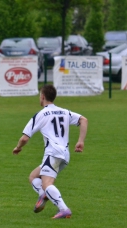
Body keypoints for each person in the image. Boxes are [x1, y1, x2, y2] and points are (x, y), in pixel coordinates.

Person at [13, 84, 88, 219]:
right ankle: (44, 194)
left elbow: (24, 138)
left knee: (47, 183)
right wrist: (80, 141)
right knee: (33, 176)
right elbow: (84, 120)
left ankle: (64, 209)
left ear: (42, 97)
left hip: (53, 153)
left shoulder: (41, 114)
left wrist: (18, 147)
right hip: (64, 154)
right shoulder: (64, 112)